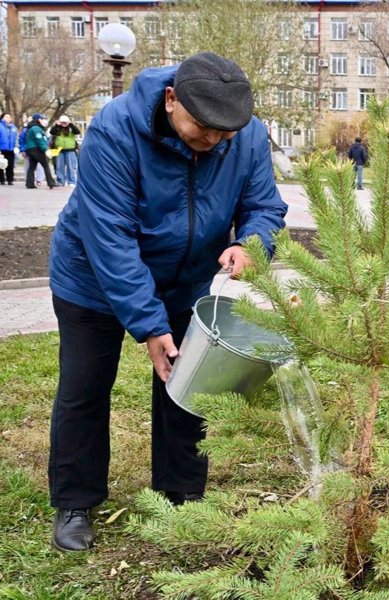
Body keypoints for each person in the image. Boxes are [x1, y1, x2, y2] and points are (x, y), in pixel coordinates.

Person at [47, 52, 287, 552]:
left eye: (226, 134)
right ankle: (75, 501)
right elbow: (109, 236)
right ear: (172, 99)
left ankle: (181, 494)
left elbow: (263, 205)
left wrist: (252, 244)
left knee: (189, 383)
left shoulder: (242, 134)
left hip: (188, 281)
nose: (215, 141)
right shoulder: (116, 129)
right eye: (203, 129)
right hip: (92, 278)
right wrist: (151, 327)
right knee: (85, 386)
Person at [23, 113, 56, 189]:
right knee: (45, 165)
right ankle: (51, 183)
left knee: (32, 167)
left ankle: (29, 184)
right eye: (42, 119)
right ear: (38, 120)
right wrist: (46, 149)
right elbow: (40, 140)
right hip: (36, 149)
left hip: (31, 149)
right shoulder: (36, 128)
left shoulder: (32, 127)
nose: (44, 121)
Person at [49, 115, 81, 187]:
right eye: (62, 122)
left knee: (71, 167)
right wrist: (57, 125)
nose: (64, 124)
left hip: (70, 150)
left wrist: (70, 124)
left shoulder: (71, 128)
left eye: (65, 122)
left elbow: (77, 131)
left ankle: (71, 181)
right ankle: (60, 181)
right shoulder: (57, 129)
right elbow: (52, 132)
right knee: (59, 167)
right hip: (59, 150)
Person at [0, 113, 19, 185]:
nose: (8, 118)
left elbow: (16, 138)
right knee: (1, 165)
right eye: (6, 117)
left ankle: (10, 180)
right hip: (2, 149)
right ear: (2, 118)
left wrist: (16, 146)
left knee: (10, 165)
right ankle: (1, 180)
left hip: (11, 149)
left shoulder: (14, 127)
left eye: (9, 117)